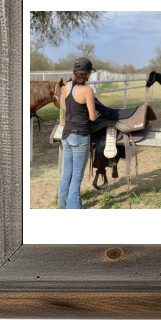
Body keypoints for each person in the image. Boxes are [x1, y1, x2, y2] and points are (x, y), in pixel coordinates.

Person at [58, 57, 98, 209]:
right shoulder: (87, 90)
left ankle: (62, 206)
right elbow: (93, 117)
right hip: (80, 136)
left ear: (75, 72)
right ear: (87, 73)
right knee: (77, 175)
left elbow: (66, 108)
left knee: (67, 172)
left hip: (67, 134)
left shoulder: (67, 86)